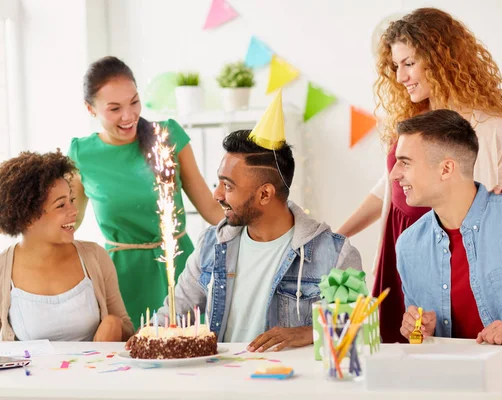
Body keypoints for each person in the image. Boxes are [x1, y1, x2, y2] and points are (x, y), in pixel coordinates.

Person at [337, 7, 502, 343]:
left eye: (409, 63)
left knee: (449, 343)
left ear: (441, 60)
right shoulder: (411, 121)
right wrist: (338, 237)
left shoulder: (494, 127)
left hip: (453, 250)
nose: (400, 76)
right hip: (402, 241)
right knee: (401, 351)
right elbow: (388, 187)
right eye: (395, 66)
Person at [148, 93, 362, 351]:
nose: (216, 194)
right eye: (219, 182)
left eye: (227, 186)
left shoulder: (336, 254)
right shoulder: (211, 245)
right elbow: (172, 313)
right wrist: (142, 339)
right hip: (225, 384)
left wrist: (309, 332)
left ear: (265, 194)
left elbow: (359, 327)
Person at [68, 56, 224, 323]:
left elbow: (210, 208)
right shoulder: (82, 154)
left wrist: (264, 236)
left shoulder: (168, 136)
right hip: (122, 280)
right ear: (90, 108)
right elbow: (69, 223)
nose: (128, 116)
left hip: (179, 270)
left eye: (134, 102)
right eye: (114, 108)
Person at [0, 151, 133, 350]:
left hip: (94, 379)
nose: (74, 211)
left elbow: (129, 331)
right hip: (31, 381)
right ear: (28, 218)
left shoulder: (94, 256)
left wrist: (114, 323)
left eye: (72, 200)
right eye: (61, 205)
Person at [392, 109, 502, 345]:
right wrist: (420, 331)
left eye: (405, 163)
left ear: (446, 169)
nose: (394, 175)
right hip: (449, 380)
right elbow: (421, 341)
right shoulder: (408, 246)